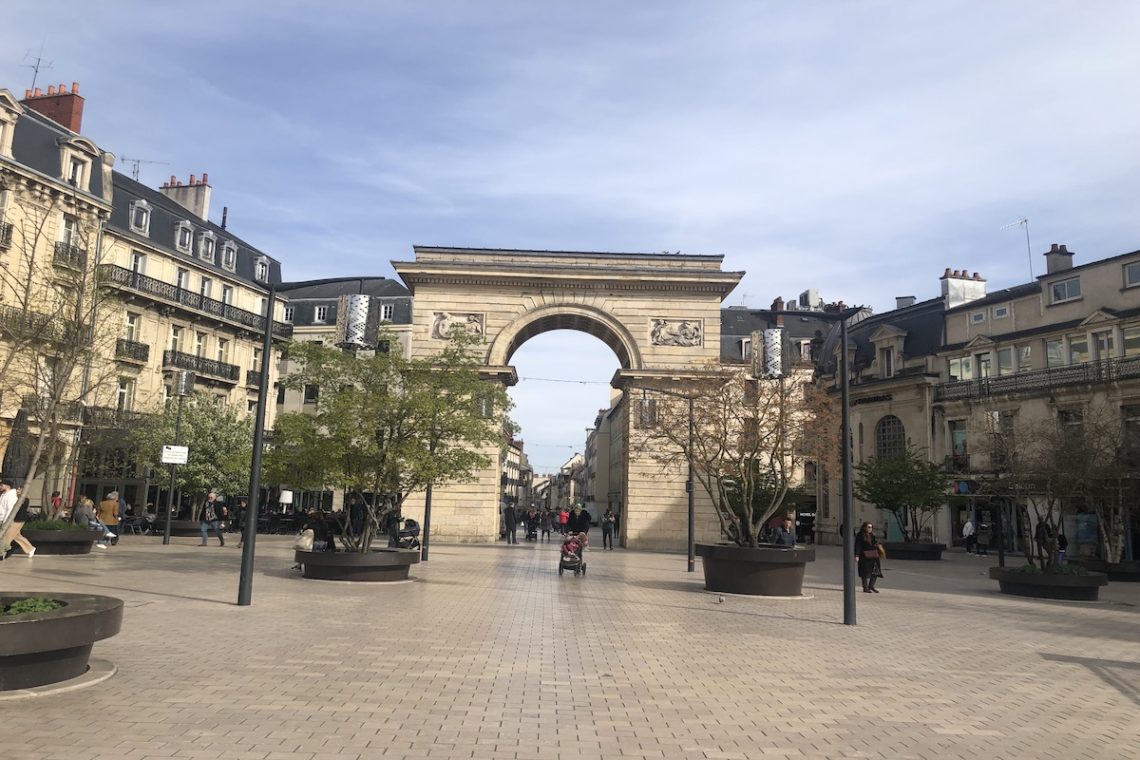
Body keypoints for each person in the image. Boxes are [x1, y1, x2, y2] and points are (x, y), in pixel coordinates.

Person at [2, 489, 36, 559]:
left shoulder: (24, 499)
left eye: (19, 490)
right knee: (16, 536)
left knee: (9, 535)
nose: (17, 491)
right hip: (17, 519)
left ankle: (3, 551)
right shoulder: (18, 498)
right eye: (17, 490)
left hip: (18, 520)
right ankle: (30, 548)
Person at [854, 521, 883, 593]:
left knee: (876, 570)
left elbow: (874, 543)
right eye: (869, 527)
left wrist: (877, 544)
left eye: (871, 527)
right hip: (864, 556)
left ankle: (871, 586)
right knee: (864, 572)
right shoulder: (860, 535)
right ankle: (865, 587)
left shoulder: (872, 535)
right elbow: (858, 545)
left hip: (873, 555)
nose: (870, 529)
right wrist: (856, 555)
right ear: (864, 527)